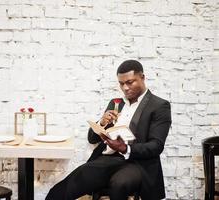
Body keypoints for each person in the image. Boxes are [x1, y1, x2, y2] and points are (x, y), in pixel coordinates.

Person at [45, 60, 172, 200]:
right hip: (107, 159)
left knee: (119, 184)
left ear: (142, 77)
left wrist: (125, 148)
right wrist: (103, 122)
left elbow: (156, 146)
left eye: (130, 82)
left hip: (137, 163)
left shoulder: (159, 106)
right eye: (121, 83)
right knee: (66, 187)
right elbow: (92, 138)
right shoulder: (115, 103)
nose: (125, 88)